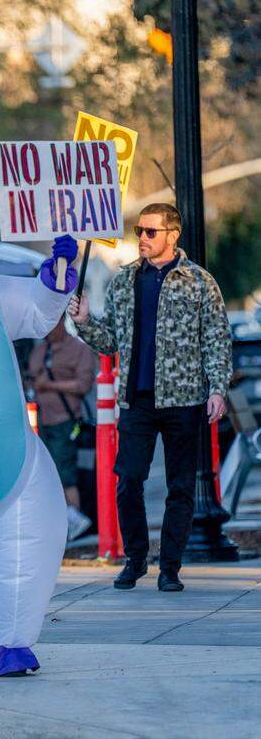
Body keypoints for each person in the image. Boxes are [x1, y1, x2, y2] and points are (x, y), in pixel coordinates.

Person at [70, 202, 232, 592]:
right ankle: (136, 559)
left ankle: (170, 568)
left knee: (180, 487)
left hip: (184, 399)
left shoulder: (198, 282)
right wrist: (85, 322)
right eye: (139, 230)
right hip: (137, 400)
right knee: (127, 481)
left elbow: (216, 339)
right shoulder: (124, 282)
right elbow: (111, 340)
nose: (142, 237)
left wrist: (217, 389)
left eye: (150, 231)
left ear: (172, 235)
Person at [27, 318, 97, 540]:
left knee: (66, 474)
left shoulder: (79, 350)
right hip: (42, 421)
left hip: (67, 420)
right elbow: (31, 380)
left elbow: (83, 385)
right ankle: (61, 521)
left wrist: (49, 385)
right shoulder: (39, 351)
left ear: (61, 323)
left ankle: (75, 521)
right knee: (49, 475)